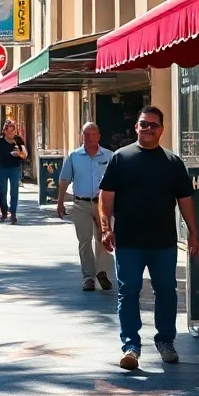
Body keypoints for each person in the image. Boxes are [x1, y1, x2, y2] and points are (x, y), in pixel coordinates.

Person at [100, 106, 199, 370]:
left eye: (154, 125)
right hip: (129, 241)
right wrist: (105, 228)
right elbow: (106, 196)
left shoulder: (173, 162)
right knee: (128, 291)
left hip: (164, 242)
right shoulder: (120, 158)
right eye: (144, 124)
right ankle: (131, 346)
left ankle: (166, 341)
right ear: (136, 127)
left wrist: (193, 232)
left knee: (166, 292)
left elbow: (186, 200)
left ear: (162, 130)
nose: (148, 129)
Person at [57, 122, 114, 291]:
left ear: (99, 136)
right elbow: (64, 179)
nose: (89, 138)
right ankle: (88, 277)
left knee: (104, 239)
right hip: (80, 203)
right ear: (81, 136)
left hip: (103, 205)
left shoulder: (109, 156)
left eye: (93, 134)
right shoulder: (74, 156)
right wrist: (60, 202)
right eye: (86, 134)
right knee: (84, 240)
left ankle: (102, 273)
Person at [0, 119, 27, 224]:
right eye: (9, 131)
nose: (12, 133)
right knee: (3, 191)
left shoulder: (19, 140)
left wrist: (19, 153)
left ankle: (13, 213)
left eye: (13, 131)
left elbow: (25, 155)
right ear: (4, 131)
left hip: (15, 168)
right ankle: (4, 212)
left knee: (14, 190)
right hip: (1, 168)